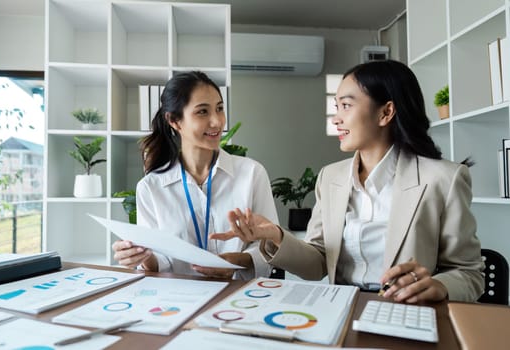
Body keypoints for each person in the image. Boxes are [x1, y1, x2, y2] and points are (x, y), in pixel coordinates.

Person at [211, 60, 484, 302]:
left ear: (385, 113)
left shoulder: (443, 179)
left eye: (346, 105)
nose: (337, 118)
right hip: (340, 307)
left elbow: (469, 273)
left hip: (406, 312)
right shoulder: (331, 177)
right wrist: (275, 236)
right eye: (336, 106)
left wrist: (437, 285)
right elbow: (318, 262)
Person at [112, 71, 278, 280]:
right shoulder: (151, 187)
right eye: (202, 112)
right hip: (179, 303)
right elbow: (158, 261)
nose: (217, 122)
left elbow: (271, 248)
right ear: (174, 121)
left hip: (240, 301)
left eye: (219, 108)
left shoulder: (252, 174)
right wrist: (140, 257)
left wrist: (236, 262)